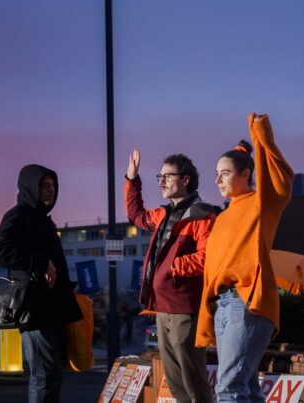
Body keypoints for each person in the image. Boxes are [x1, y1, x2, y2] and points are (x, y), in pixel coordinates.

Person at [195, 113, 294, 402]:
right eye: (216, 173)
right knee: (246, 388)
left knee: (229, 388)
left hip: (247, 302)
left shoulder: (263, 203)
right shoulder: (224, 216)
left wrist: (261, 138)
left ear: (246, 175)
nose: (217, 179)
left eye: (224, 173)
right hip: (224, 306)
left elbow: (281, 181)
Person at [124, 150, 216, 403]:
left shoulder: (203, 215)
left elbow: (208, 258)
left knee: (193, 380)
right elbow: (136, 215)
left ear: (185, 180)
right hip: (163, 308)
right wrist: (132, 179)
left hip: (185, 308)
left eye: (167, 176)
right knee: (175, 383)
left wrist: (173, 267)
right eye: (159, 177)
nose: (162, 181)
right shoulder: (164, 215)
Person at [0, 164, 83, 403]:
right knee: (44, 374)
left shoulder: (43, 219)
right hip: (34, 309)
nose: (50, 190)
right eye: (44, 185)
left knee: (52, 373)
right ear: (30, 187)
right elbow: (0, 252)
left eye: (53, 186)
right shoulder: (18, 215)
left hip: (50, 308)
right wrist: (41, 262)